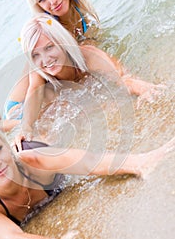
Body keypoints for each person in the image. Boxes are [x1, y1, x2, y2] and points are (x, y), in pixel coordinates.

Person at [0, 122, 175, 239]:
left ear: (6, 146)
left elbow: (88, 161)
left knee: (40, 143)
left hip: (41, 160)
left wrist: (140, 163)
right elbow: (12, 237)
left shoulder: (31, 160)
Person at [10, 13, 165, 144]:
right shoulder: (38, 74)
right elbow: (34, 96)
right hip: (17, 107)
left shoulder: (88, 56)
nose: (45, 60)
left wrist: (143, 88)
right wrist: (26, 129)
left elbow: (123, 78)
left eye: (49, 47)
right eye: (35, 55)